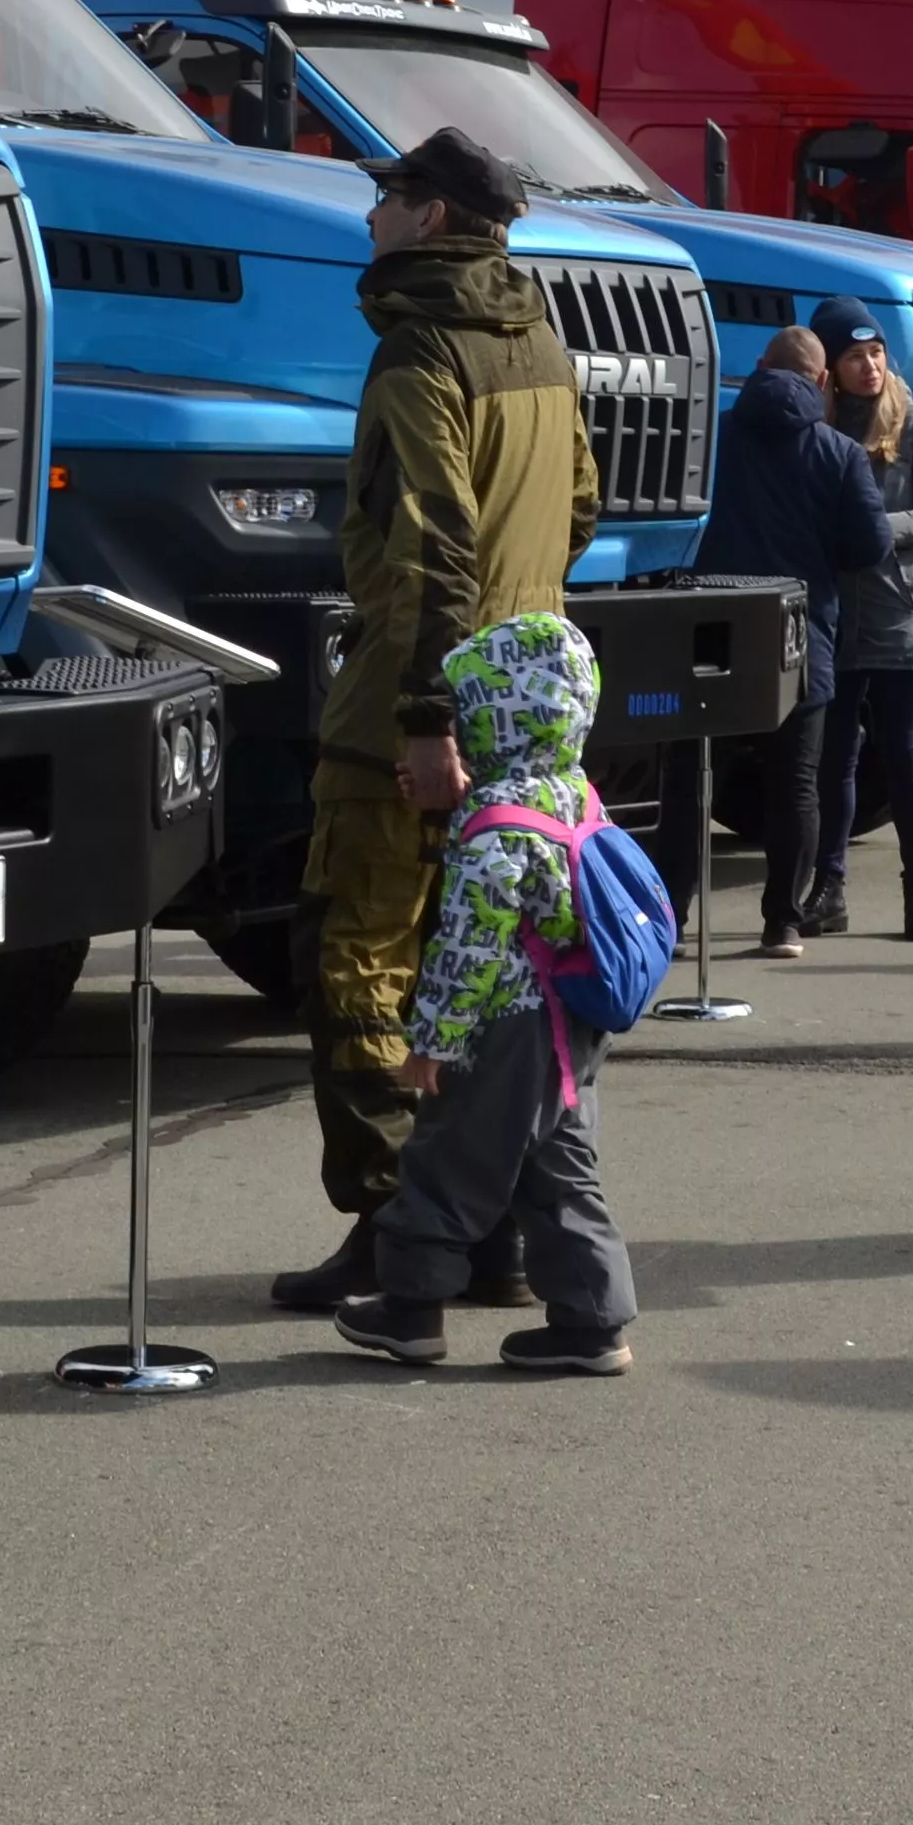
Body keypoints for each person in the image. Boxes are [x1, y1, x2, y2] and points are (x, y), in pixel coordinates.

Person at [272, 125, 602, 1315]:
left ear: (434, 217)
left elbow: (430, 546)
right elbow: (579, 509)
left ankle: (396, 1230)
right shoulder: (541, 339)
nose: (372, 214)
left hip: (413, 712)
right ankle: (490, 1230)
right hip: (525, 715)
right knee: (497, 977)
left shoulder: (420, 346)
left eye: (389, 195)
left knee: (360, 964)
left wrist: (425, 718)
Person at [332, 611, 641, 1375]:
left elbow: (468, 950)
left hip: (503, 1027)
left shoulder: (495, 829)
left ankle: (410, 1312)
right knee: (558, 1166)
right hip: (571, 1022)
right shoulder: (573, 793)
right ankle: (593, 1322)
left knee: (445, 1160)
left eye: (468, 712)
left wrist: (432, 1043)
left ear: (498, 720)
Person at [695, 323, 890, 959]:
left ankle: (667, 915)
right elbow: (871, 546)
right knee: (796, 785)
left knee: (693, 779)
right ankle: (781, 921)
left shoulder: (712, 434)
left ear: (759, 366)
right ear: (823, 379)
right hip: (800, 633)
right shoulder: (840, 452)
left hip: (710, 630)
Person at [810, 297, 913, 942]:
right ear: (830, 368)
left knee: (903, 752)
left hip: (901, 611)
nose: (869, 366)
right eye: (853, 356)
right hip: (836, 614)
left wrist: (880, 528)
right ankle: (828, 888)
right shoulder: (818, 426)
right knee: (834, 757)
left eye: (876, 353)